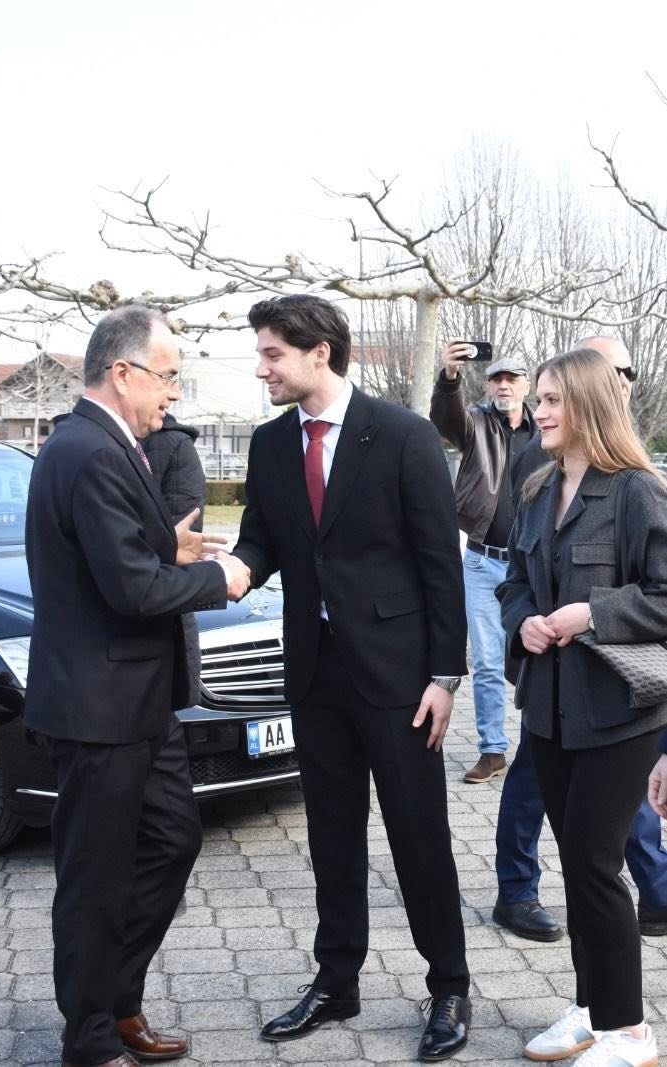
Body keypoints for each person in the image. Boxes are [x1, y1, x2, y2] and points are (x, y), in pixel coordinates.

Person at [233, 295, 471, 1062]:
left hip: (400, 677)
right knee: (332, 837)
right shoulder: (270, 444)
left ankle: (449, 984)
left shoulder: (401, 434)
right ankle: (337, 981)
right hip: (314, 672)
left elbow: (439, 564)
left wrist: (444, 674)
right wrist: (228, 570)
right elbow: (260, 542)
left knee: (417, 835)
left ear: (319, 353)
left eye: (272, 353)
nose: (261, 368)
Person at [24, 305, 251, 1067]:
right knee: (96, 877)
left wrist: (168, 547)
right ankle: (90, 1037)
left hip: (139, 705)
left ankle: (114, 998)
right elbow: (128, 589)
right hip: (98, 708)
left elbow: (118, 554)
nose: (172, 393)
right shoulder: (87, 451)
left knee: (171, 839)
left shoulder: (109, 445)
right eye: (166, 376)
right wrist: (217, 578)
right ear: (122, 373)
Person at [497, 347, 667, 1066]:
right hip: (549, 709)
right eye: (537, 399)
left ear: (589, 405)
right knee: (574, 861)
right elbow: (512, 582)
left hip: (620, 713)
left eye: (552, 400)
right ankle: (592, 1009)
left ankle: (630, 1032)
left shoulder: (636, 491)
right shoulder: (538, 487)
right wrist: (525, 623)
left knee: (595, 862)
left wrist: (590, 613)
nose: (538, 411)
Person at [430, 345, 535, 784]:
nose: (504, 386)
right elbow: (445, 420)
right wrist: (449, 377)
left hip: (530, 568)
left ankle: (539, 747)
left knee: (535, 659)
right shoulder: (475, 422)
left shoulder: (545, 430)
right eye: (496, 379)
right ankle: (492, 750)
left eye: (512, 379)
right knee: (489, 662)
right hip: (481, 562)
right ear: (488, 385)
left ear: (526, 385)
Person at [142, 413, 206, 707]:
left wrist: (220, 579)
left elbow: (182, 546)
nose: (173, 394)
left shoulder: (173, 444)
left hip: (159, 628)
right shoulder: (81, 440)